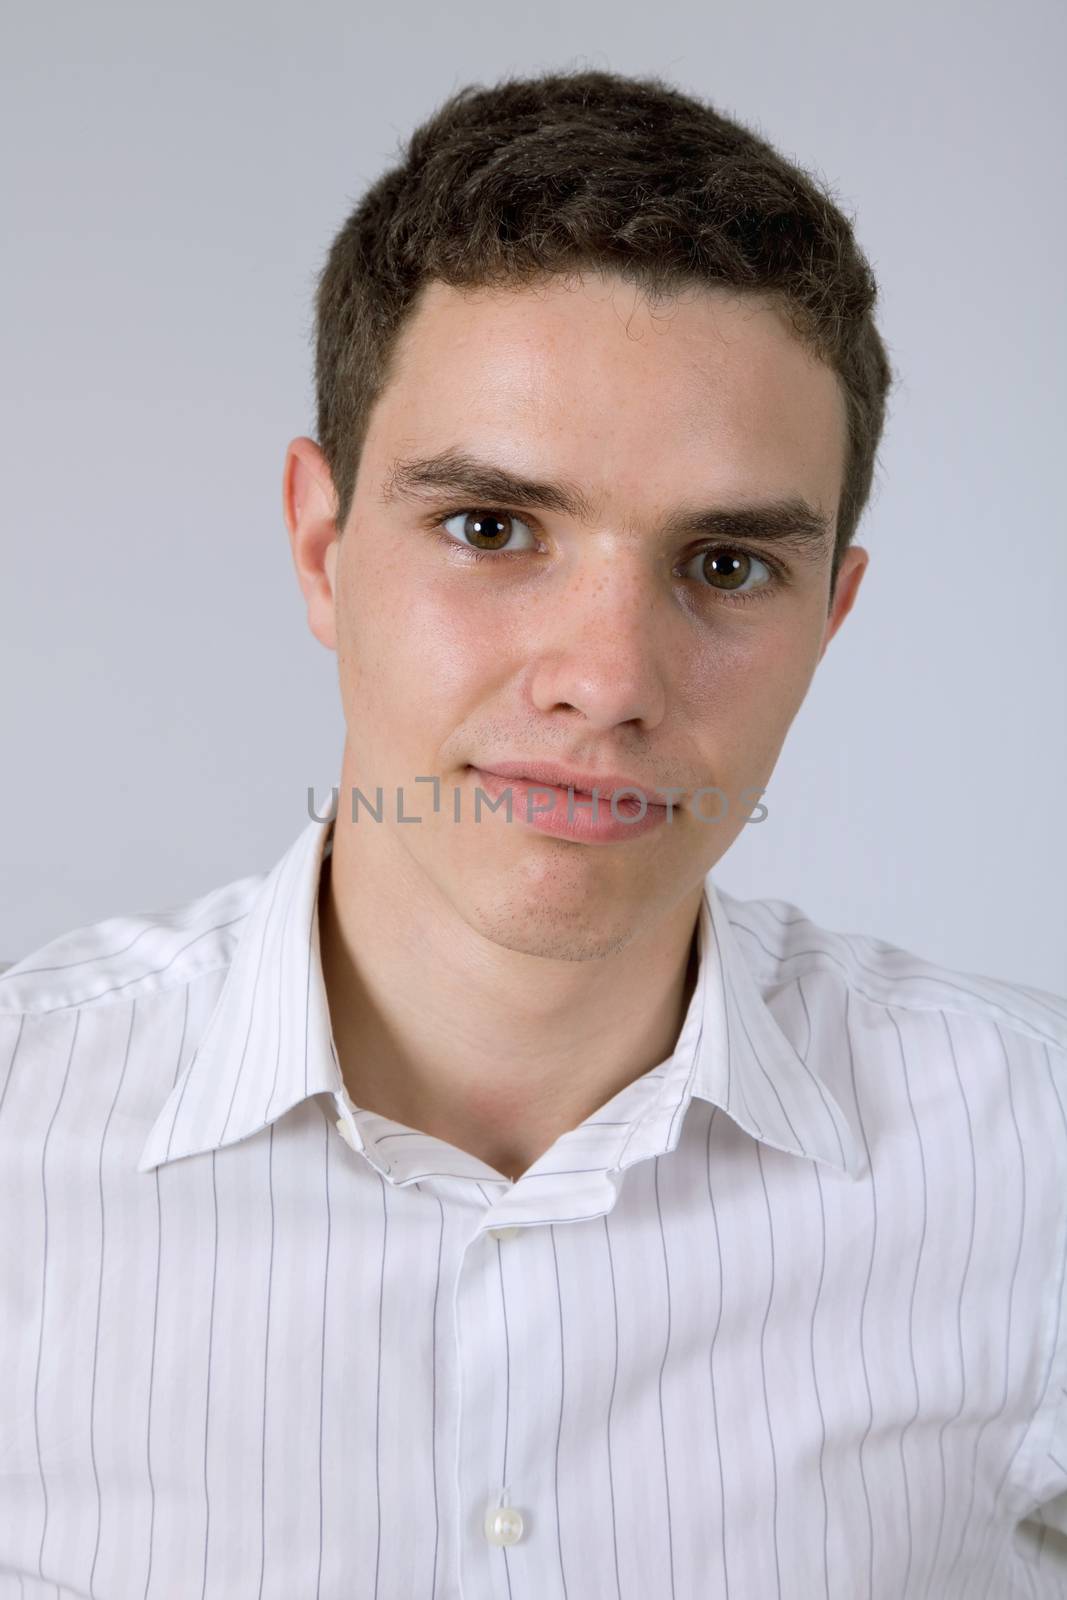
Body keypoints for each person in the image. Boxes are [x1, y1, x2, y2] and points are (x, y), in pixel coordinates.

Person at [1, 67, 1064, 1599]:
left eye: (726, 563)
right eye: (492, 529)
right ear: (321, 544)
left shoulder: (1039, 1169)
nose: (607, 682)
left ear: (833, 614)